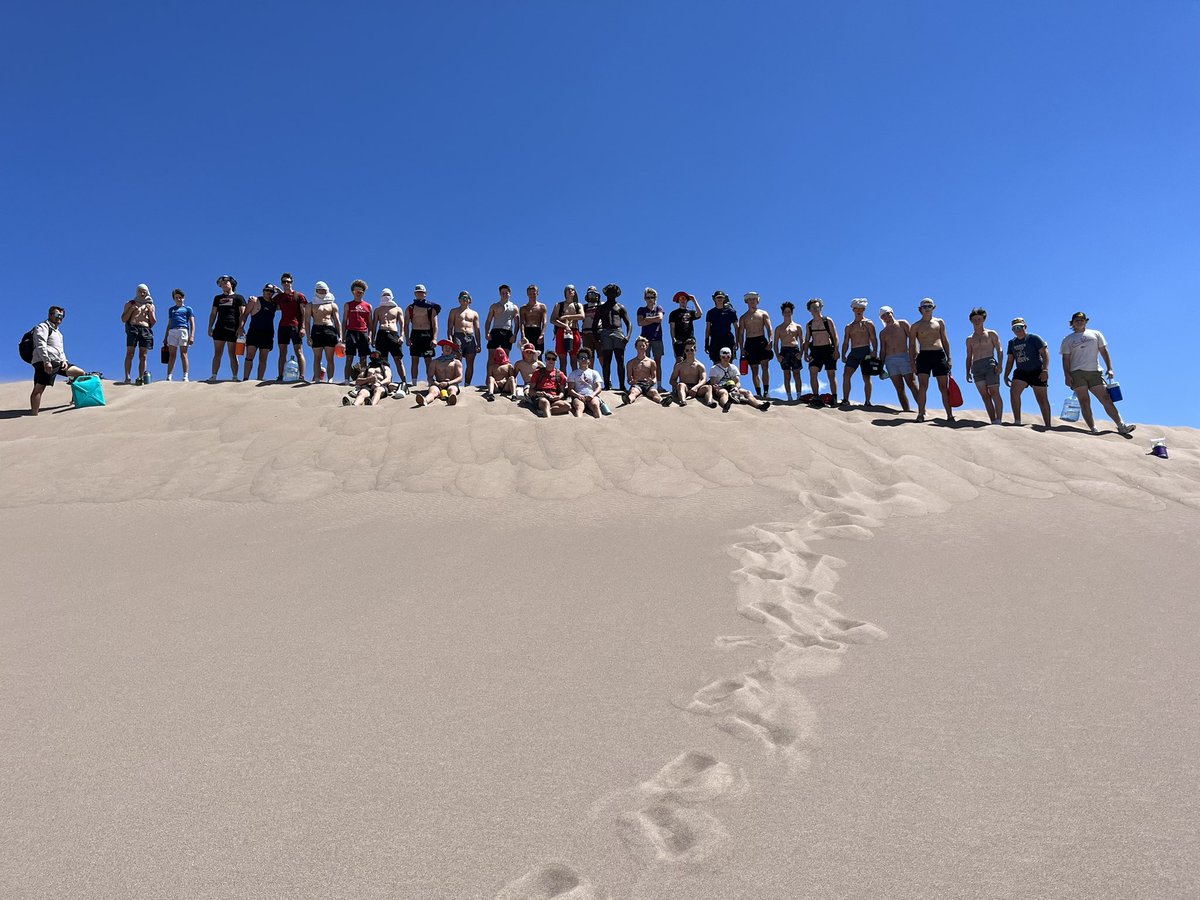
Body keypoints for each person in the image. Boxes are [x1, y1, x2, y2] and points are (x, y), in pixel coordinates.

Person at [1060, 311, 1135, 435]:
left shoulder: (1096, 334)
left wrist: (1110, 368)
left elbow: (1104, 351)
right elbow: (1065, 359)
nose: (1079, 321)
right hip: (1077, 373)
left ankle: (1121, 425)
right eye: (1076, 320)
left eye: (1082, 319)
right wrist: (1067, 375)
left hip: (1095, 372)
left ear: (1086, 321)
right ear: (1072, 322)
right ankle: (1093, 428)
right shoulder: (1068, 339)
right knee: (1084, 401)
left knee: (1106, 398)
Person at [29, 306, 86, 415]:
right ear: (50, 315)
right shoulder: (42, 327)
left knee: (80, 373)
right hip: (44, 362)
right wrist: (46, 361)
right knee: (39, 389)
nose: (60, 318)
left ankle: (75, 400)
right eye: (57, 315)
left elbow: (60, 350)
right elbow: (40, 345)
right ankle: (33, 415)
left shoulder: (59, 333)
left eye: (62, 316)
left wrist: (64, 360)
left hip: (59, 362)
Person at [909, 298, 954, 423]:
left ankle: (949, 415)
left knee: (943, 387)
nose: (927, 308)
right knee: (923, 386)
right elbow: (912, 345)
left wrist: (949, 358)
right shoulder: (915, 326)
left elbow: (945, 340)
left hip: (939, 355)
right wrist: (912, 362)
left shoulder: (939, 322)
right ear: (920, 309)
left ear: (933, 307)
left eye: (930, 306)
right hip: (924, 356)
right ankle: (920, 414)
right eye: (925, 306)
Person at [1004, 317, 1052, 428]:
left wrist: (1045, 370)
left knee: (1042, 398)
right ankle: (1017, 421)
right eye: (1015, 328)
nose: (1018, 329)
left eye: (1020, 327)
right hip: (1021, 371)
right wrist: (1006, 375)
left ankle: (1048, 425)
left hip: (1037, 371)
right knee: (1014, 392)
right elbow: (1010, 360)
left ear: (1025, 327)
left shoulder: (1034, 338)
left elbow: (1045, 354)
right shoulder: (1012, 343)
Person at [964, 307, 1004, 424]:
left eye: (979, 319)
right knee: (985, 395)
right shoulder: (970, 339)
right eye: (974, 319)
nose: (977, 321)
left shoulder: (991, 333)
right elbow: (969, 356)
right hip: (976, 366)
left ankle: (999, 420)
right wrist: (967, 371)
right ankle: (992, 420)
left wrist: (1000, 364)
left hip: (990, 364)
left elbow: (999, 349)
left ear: (983, 319)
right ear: (971, 320)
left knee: (994, 392)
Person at [840, 298, 878, 408]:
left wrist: (875, 350)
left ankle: (867, 401)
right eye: (856, 308)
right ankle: (846, 399)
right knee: (846, 375)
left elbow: (873, 338)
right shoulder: (849, 326)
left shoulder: (868, 323)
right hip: (854, 352)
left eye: (861, 308)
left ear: (864, 309)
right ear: (853, 310)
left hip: (866, 350)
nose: (859, 311)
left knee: (866, 377)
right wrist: (843, 354)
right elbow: (846, 342)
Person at [877, 305, 916, 412]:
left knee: (912, 383)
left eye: (887, 313)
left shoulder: (902, 323)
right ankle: (906, 411)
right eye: (883, 316)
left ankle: (922, 410)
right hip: (890, 361)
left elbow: (912, 340)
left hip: (904, 356)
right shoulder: (883, 333)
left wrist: (914, 356)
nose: (886, 317)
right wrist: (880, 366)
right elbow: (883, 350)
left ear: (892, 313)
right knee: (899, 388)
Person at [593, 283, 631, 391]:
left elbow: (629, 323)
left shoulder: (620, 307)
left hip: (618, 332)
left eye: (613, 292)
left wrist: (627, 336)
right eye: (609, 292)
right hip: (605, 333)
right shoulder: (601, 308)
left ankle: (622, 386)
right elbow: (595, 324)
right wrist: (597, 337)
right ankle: (607, 385)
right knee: (607, 360)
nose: (611, 294)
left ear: (616, 294)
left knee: (620, 359)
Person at [708, 347, 771, 412]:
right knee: (724, 392)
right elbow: (713, 383)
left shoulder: (733, 367)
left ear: (730, 356)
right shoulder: (714, 368)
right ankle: (725, 405)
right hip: (720, 387)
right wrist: (717, 387)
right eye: (723, 357)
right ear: (720, 357)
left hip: (732, 387)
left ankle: (759, 405)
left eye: (728, 356)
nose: (726, 358)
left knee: (747, 392)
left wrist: (736, 388)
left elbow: (738, 381)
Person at [208, 275, 245, 382]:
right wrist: (210, 327)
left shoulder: (239, 297)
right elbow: (213, 313)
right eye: (222, 284)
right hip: (219, 328)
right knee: (217, 353)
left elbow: (242, 314)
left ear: (231, 283)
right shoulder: (217, 298)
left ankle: (234, 377)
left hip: (233, 328)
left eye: (226, 283)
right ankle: (213, 376)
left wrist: (241, 327)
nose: (224, 285)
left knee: (232, 353)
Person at [802, 298, 839, 407]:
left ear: (821, 307)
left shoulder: (827, 321)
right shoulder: (809, 324)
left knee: (831, 374)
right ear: (809, 310)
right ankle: (816, 396)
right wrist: (805, 353)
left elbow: (835, 336)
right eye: (813, 308)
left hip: (828, 349)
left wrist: (836, 349)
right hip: (815, 351)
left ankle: (834, 398)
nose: (815, 309)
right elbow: (807, 340)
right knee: (813, 372)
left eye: (817, 307)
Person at [737, 292, 773, 399]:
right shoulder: (743, 317)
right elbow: (741, 333)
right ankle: (758, 392)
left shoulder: (763, 313)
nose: (752, 301)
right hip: (750, 342)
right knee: (754, 369)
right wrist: (742, 348)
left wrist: (770, 340)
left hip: (761, 341)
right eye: (750, 299)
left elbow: (769, 328)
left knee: (765, 366)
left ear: (757, 300)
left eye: (754, 299)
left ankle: (766, 391)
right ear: (746, 302)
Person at [306, 281, 342, 384]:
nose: (321, 291)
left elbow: (337, 321)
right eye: (319, 289)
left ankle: (330, 379)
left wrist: (340, 336)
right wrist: (308, 337)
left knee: (330, 357)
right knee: (317, 357)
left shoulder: (332, 304)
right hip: (316, 330)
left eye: (323, 290)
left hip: (329, 330)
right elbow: (307, 322)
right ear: (316, 290)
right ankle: (317, 379)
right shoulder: (311, 305)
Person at [241, 283, 279, 382]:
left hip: (267, 333)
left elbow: (286, 301)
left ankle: (260, 379)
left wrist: (279, 291)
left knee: (263, 357)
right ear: (263, 291)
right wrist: (241, 327)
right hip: (254, 332)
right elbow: (245, 314)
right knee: (250, 355)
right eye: (267, 290)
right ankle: (245, 379)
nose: (269, 293)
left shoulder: (274, 304)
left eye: (271, 291)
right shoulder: (255, 300)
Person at [275, 272, 308, 382]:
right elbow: (271, 305)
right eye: (284, 282)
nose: (286, 283)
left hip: (295, 326)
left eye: (288, 282)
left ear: (292, 283)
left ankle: (302, 376)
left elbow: (304, 313)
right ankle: (280, 376)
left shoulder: (299, 296)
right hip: (283, 326)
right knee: (282, 352)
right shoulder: (279, 297)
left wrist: (303, 327)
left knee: (298, 351)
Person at [664, 339, 716, 407]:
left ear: (695, 350)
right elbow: (672, 380)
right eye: (687, 350)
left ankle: (709, 402)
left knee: (709, 387)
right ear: (685, 351)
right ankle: (682, 401)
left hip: (696, 388)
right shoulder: (679, 366)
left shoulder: (700, 365)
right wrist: (678, 386)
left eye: (691, 350)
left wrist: (696, 387)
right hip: (684, 388)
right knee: (681, 385)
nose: (689, 352)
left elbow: (704, 379)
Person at [372, 288, 408, 388]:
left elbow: (402, 324)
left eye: (388, 294)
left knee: (398, 359)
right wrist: (372, 337)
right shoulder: (378, 310)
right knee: (383, 360)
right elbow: (374, 325)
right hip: (381, 335)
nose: (386, 296)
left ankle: (404, 381)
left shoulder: (397, 309)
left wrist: (402, 336)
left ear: (391, 295)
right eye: (384, 294)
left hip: (393, 334)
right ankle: (387, 381)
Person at [121, 283, 156, 384]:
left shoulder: (151, 305)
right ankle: (127, 377)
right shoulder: (130, 303)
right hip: (133, 328)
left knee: (143, 355)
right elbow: (123, 319)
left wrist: (150, 312)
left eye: (144, 291)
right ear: (137, 292)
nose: (142, 293)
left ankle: (141, 377)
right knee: (130, 353)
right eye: (140, 291)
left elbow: (153, 322)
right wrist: (131, 309)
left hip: (145, 329)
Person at [485, 284, 521, 382]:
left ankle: (504, 379)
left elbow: (517, 322)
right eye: (503, 293)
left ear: (510, 294)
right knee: (491, 356)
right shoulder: (494, 306)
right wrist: (487, 332)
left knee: (505, 357)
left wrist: (515, 335)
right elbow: (488, 320)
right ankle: (488, 379)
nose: (505, 294)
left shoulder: (514, 307)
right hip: (495, 331)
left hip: (507, 332)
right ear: (500, 294)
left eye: (506, 293)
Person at [340, 279, 373, 384]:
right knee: (349, 357)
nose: (358, 293)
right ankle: (346, 380)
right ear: (352, 292)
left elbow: (370, 323)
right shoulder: (348, 305)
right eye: (356, 291)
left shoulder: (368, 306)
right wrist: (343, 335)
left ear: (363, 292)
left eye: (360, 291)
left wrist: (371, 335)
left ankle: (363, 380)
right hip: (351, 332)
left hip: (363, 332)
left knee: (363, 358)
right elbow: (344, 320)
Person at [415, 339, 463, 407]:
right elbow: (430, 377)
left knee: (452, 389)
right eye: (446, 347)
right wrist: (437, 384)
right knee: (433, 391)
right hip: (437, 383)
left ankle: (452, 399)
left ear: (452, 349)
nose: (447, 349)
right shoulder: (435, 362)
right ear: (442, 348)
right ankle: (425, 400)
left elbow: (460, 377)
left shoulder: (456, 362)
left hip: (451, 383)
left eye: (449, 347)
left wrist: (448, 383)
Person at [773, 301, 804, 402]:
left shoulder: (797, 326)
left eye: (789, 311)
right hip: (784, 351)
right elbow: (775, 343)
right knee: (786, 374)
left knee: (797, 374)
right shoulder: (779, 328)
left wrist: (801, 353)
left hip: (795, 350)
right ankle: (789, 397)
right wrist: (778, 355)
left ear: (792, 313)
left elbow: (802, 341)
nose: (787, 313)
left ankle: (799, 395)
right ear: (782, 313)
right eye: (785, 312)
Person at [637, 288, 667, 391]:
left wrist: (646, 319)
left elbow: (660, 319)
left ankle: (659, 385)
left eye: (652, 297)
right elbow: (640, 322)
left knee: (657, 362)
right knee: (646, 362)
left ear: (655, 298)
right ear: (645, 298)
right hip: (645, 339)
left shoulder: (658, 308)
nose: (650, 299)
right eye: (648, 297)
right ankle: (647, 385)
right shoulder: (641, 309)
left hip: (657, 338)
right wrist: (653, 320)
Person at [448, 291, 482, 386]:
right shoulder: (454, 311)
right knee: (457, 361)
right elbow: (450, 327)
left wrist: (479, 344)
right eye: (462, 297)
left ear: (470, 300)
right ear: (459, 299)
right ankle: (455, 384)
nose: (464, 299)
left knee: (470, 362)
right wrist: (450, 340)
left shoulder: (474, 313)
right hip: (458, 335)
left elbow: (477, 330)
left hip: (470, 337)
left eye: (466, 298)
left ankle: (467, 384)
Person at [528, 350, 572, 417]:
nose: (551, 360)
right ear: (545, 359)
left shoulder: (560, 374)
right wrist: (538, 393)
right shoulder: (538, 373)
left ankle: (546, 410)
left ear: (556, 361)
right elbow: (531, 390)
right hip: (541, 397)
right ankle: (548, 422)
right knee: (545, 402)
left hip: (553, 398)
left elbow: (562, 391)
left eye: (553, 359)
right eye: (548, 358)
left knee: (567, 406)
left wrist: (559, 396)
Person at [552, 284, 584, 374]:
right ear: (565, 292)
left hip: (574, 331)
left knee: (574, 359)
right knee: (563, 360)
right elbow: (552, 319)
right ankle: (563, 382)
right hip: (561, 331)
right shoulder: (559, 305)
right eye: (568, 289)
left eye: (572, 290)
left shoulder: (578, 305)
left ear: (574, 292)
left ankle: (575, 381)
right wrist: (564, 325)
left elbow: (582, 316)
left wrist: (567, 316)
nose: (570, 291)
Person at [164, 289, 195, 382]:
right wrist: (165, 337)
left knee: (183, 354)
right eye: (176, 298)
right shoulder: (171, 309)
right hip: (173, 331)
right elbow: (169, 323)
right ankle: (169, 376)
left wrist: (192, 335)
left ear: (183, 298)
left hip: (183, 330)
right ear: (174, 299)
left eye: (180, 297)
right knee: (172, 355)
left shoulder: (188, 309)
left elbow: (192, 323)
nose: (178, 299)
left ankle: (185, 375)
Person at [624, 336, 662, 404]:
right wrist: (631, 382)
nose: (641, 347)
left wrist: (653, 381)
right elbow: (629, 379)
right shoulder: (630, 363)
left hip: (647, 384)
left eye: (643, 346)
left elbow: (654, 377)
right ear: (636, 347)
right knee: (633, 392)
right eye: (639, 346)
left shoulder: (651, 362)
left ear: (646, 347)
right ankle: (628, 400)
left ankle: (662, 401)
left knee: (654, 392)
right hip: (637, 384)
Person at [567, 348, 604, 417]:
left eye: (585, 357)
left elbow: (599, 387)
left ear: (589, 360)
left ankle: (600, 423)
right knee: (579, 407)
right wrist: (578, 395)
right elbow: (570, 389)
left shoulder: (594, 372)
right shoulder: (573, 374)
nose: (583, 359)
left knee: (595, 405)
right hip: (578, 396)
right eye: (581, 357)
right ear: (578, 360)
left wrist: (592, 395)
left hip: (591, 395)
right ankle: (579, 425)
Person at [704, 290, 737, 365]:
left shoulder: (731, 312)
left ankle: (729, 377)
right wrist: (706, 343)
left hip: (728, 340)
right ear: (714, 299)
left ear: (724, 298)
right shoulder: (711, 312)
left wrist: (737, 342)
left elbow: (736, 327)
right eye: (717, 297)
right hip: (715, 340)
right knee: (716, 363)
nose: (719, 299)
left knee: (728, 363)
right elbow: (707, 328)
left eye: (721, 297)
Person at [520, 284, 548, 351]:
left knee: (539, 354)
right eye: (530, 293)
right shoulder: (523, 308)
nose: (532, 295)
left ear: (537, 293)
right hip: (527, 331)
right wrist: (523, 335)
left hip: (537, 331)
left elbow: (544, 322)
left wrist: (542, 334)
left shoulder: (542, 307)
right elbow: (522, 323)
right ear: (527, 294)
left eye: (534, 293)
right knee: (526, 353)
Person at [580, 285, 603, 364]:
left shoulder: (602, 306)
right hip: (586, 334)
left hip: (599, 333)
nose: (592, 296)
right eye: (590, 294)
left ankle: (607, 376)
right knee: (588, 358)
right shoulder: (583, 307)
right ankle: (589, 376)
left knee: (602, 357)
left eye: (594, 293)